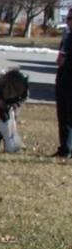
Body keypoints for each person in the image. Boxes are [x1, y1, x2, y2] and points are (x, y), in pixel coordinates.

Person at [0, 68, 29, 153]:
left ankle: (10, 145)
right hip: (3, 100)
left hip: (15, 102)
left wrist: (16, 105)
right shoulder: (0, 85)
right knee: (3, 122)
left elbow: (24, 97)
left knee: (12, 123)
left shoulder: (24, 86)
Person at [53, 9, 72, 158]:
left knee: (67, 116)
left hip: (67, 81)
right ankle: (65, 147)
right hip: (64, 80)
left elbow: (62, 60)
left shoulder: (69, 38)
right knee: (65, 116)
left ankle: (66, 149)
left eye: (70, 18)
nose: (67, 21)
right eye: (67, 18)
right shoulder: (67, 36)